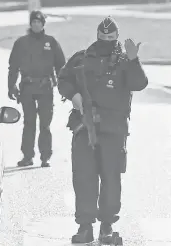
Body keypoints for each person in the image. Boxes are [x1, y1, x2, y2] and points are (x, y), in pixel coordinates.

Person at [57, 17, 148, 244]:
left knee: (111, 178)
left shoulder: (125, 61)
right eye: (103, 37)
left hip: (113, 131)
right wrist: (74, 96)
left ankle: (106, 227)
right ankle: (85, 227)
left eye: (111, 38)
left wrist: (134, 59)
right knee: (84, 178)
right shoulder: (82, 58)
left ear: (116, 37)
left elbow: (139, 83)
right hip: (83, 128)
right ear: (97, 35)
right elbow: (63, 80)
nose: (107, 41)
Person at [7, 10, 66, 168]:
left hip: (45, 87)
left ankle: (45, 156)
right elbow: (13, 66)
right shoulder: (21, 43)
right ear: (30, 24)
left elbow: (61, 65)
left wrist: (64, 86)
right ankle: (27, 156)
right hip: (27, 88)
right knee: (29, 123)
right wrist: (11, 85)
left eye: (39, 22)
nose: (36, 25)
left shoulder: (51, 42)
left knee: (45, 125)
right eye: (33, 22)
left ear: (43, 24)